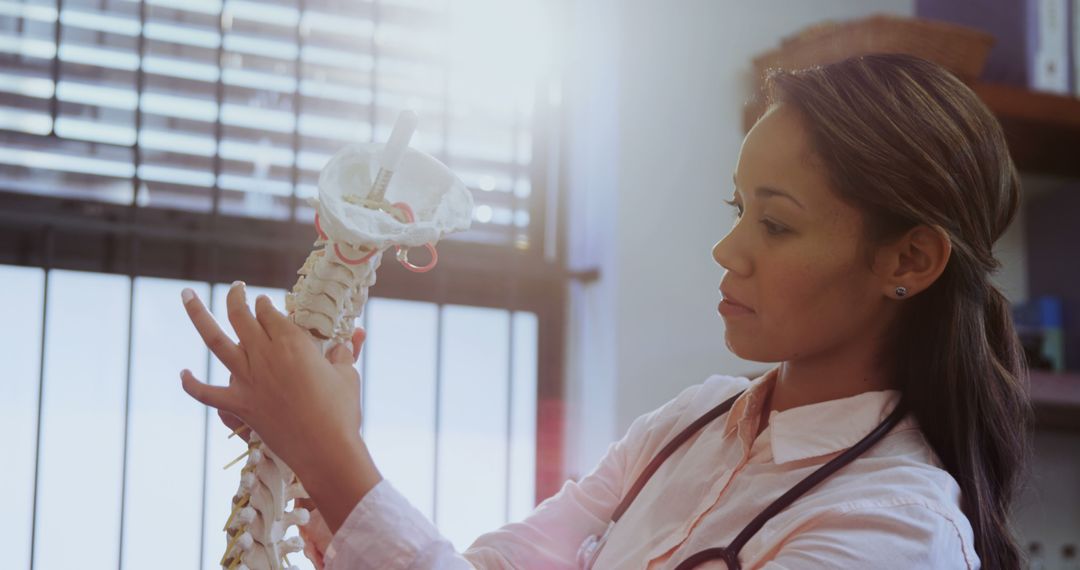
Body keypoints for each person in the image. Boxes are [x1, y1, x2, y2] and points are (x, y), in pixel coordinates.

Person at [179, 53, 1030, 569]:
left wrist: (331, 455)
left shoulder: (894, 530)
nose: (728, 251)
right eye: (738, 210)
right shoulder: (692, 425)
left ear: (908, 261)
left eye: (776, 222)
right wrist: (330, 464)